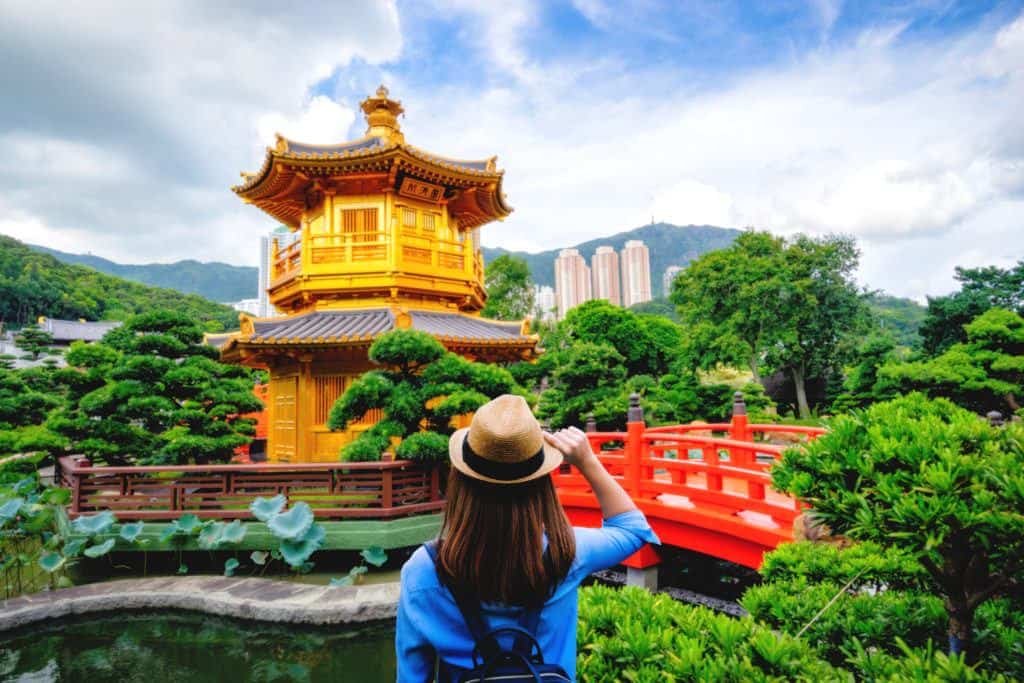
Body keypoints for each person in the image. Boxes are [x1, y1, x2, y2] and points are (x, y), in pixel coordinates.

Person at [396, 394, 658, 681]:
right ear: (542, 484)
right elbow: (633, 529)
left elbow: (412, 676)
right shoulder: (567, 554)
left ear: (460, 481)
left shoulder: (424, 570)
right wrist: (587, 461)